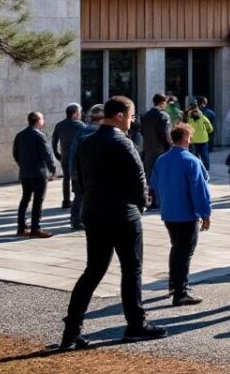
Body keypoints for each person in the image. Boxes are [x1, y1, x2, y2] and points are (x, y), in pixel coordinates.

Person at [61, 96, 164, 349]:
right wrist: (141, 205)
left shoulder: (87, 142)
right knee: (131, 269)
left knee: (93, 271)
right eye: (131, 116)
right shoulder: (122, 142)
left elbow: (78, 178)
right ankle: (135, 325)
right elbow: (139, 181)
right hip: (122, 213)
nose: (132, 121)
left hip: (94, 211)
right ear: (119, 116)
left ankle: (71, 332)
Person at [150, 123, 212, 306]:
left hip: (169, 211)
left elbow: (155, 183)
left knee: (176, 248)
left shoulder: (162, 159)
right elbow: (200, 190)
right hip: (186, 213)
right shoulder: (192, 161)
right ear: (186, 138)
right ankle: (180, 291)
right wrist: (205, 213)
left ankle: (173, 284)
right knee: (185, 252)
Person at [13, 111, 56, 238]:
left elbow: (15, 154)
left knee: (25, 199)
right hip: (38, 173)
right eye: (42, 118)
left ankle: (21, 228)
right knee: (38, 200)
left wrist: (23, 165)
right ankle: (35, 228)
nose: (44, 120)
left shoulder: (20, 135)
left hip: (25, 173)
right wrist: (52, 168)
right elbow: (46, 154)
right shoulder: (39, 135)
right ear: (38, 120)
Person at [140, 94, 173, 208]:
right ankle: (160, 200)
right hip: (162, 150)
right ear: (162, 102)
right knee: (162, 176)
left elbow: (142, 132)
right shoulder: (163, 116)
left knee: (149, 175)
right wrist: (171, 147)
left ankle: (151, 200)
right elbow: (166, 134)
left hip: (148, 149)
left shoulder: (146, 115)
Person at [52, 104, 86, 209]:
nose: (80, 114)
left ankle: (66, 201)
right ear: (75, 113)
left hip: (65, 156)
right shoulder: (81, 125)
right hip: (77, 157)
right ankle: (78, 200)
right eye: (79, 112)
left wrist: (57, 154)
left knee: (66, 178)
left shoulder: (59, 125)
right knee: (79, 178)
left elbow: (54, 142)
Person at [184, 102, 214, 178]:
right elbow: (210, 127)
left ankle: (196, 167)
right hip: (203, 139)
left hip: (193, 139)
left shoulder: (189, 117)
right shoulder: (202, 116)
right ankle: (206, 168)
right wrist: (207, 131)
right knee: (204, 155)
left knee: (194, 155)